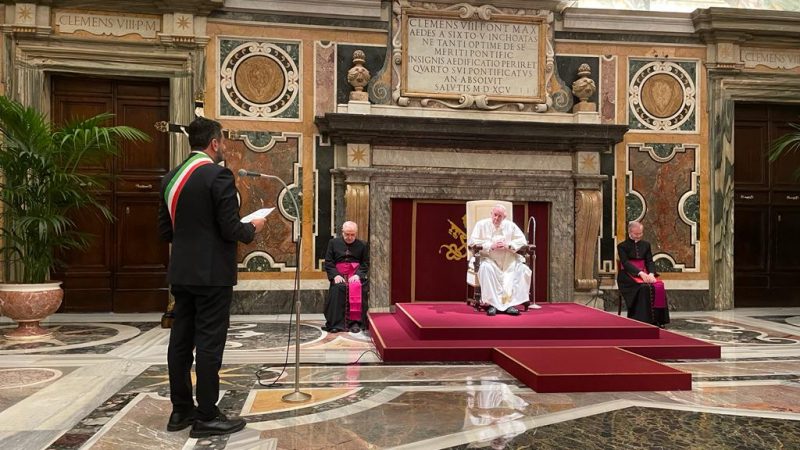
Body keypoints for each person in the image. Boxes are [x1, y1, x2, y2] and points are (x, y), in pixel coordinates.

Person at [158, 117, 266, 438]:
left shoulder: (170, 179)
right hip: (213, 276)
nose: (224, 147)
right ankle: (206, 415)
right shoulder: (218, 175)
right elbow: (232, 229)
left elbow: (166, 231)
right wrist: (254, 227)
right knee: (209, 343)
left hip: (182, 273)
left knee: (180, 342)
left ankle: (180, 411)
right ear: (214, 143)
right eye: (223, 142)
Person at [468, 204, 531, 316]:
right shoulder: (481, 225)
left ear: (504, 217)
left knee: (523, 269)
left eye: (500, 216)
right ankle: (492, 305)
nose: (496, 218)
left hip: (508, 261)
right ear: (491, 214)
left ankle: (509, 304)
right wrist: (490, 245)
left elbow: (522, 242)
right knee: (486, 269)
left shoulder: (511, 226)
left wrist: (508, 245)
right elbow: (472, 243)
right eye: (495, 215)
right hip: (488, 259)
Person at [617, 221, 670, 327]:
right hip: (627, 275)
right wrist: (639, 273)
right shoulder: (622, 246)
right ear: (629, 232)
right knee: (643, 288)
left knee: (658, 286)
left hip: (646, 272)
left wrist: (651, 273)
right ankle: (641, 320)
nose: (639, 236)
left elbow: (649, 261)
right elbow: (626, 263)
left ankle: (658, 320)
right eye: (636, 234)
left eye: (641, 233)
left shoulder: (646, 245)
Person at [323, 221, 369, 333]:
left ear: (356, 233)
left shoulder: (363, 244)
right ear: (342, 232)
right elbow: (329, 262)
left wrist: (358, 275)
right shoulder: (333, 243)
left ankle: (355, 323)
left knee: (356, 287)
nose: (349, 237)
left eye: (352, 234)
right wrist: (335, 275)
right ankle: (335, 324)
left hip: (355, 276)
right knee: (338, 288)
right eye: (347, 234)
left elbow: (365, 263)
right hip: (340, 275)